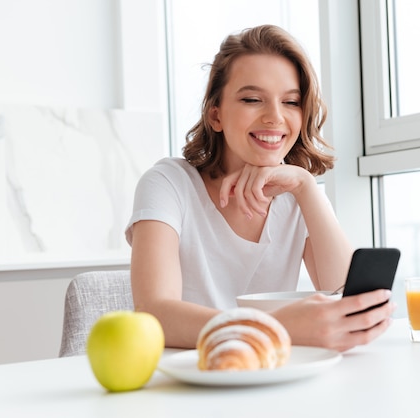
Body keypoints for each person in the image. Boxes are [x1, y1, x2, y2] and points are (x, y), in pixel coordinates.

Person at [125, 24, 395, 352]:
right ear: (216, 115)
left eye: (291, 102)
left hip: (274, 377)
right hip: (189, 381)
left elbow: (349, 304)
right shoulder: (169, 184)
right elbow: (154, 313)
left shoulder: (299, 196)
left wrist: (307, 187)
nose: (275, 117)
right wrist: (277, 328)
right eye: (253, 99)